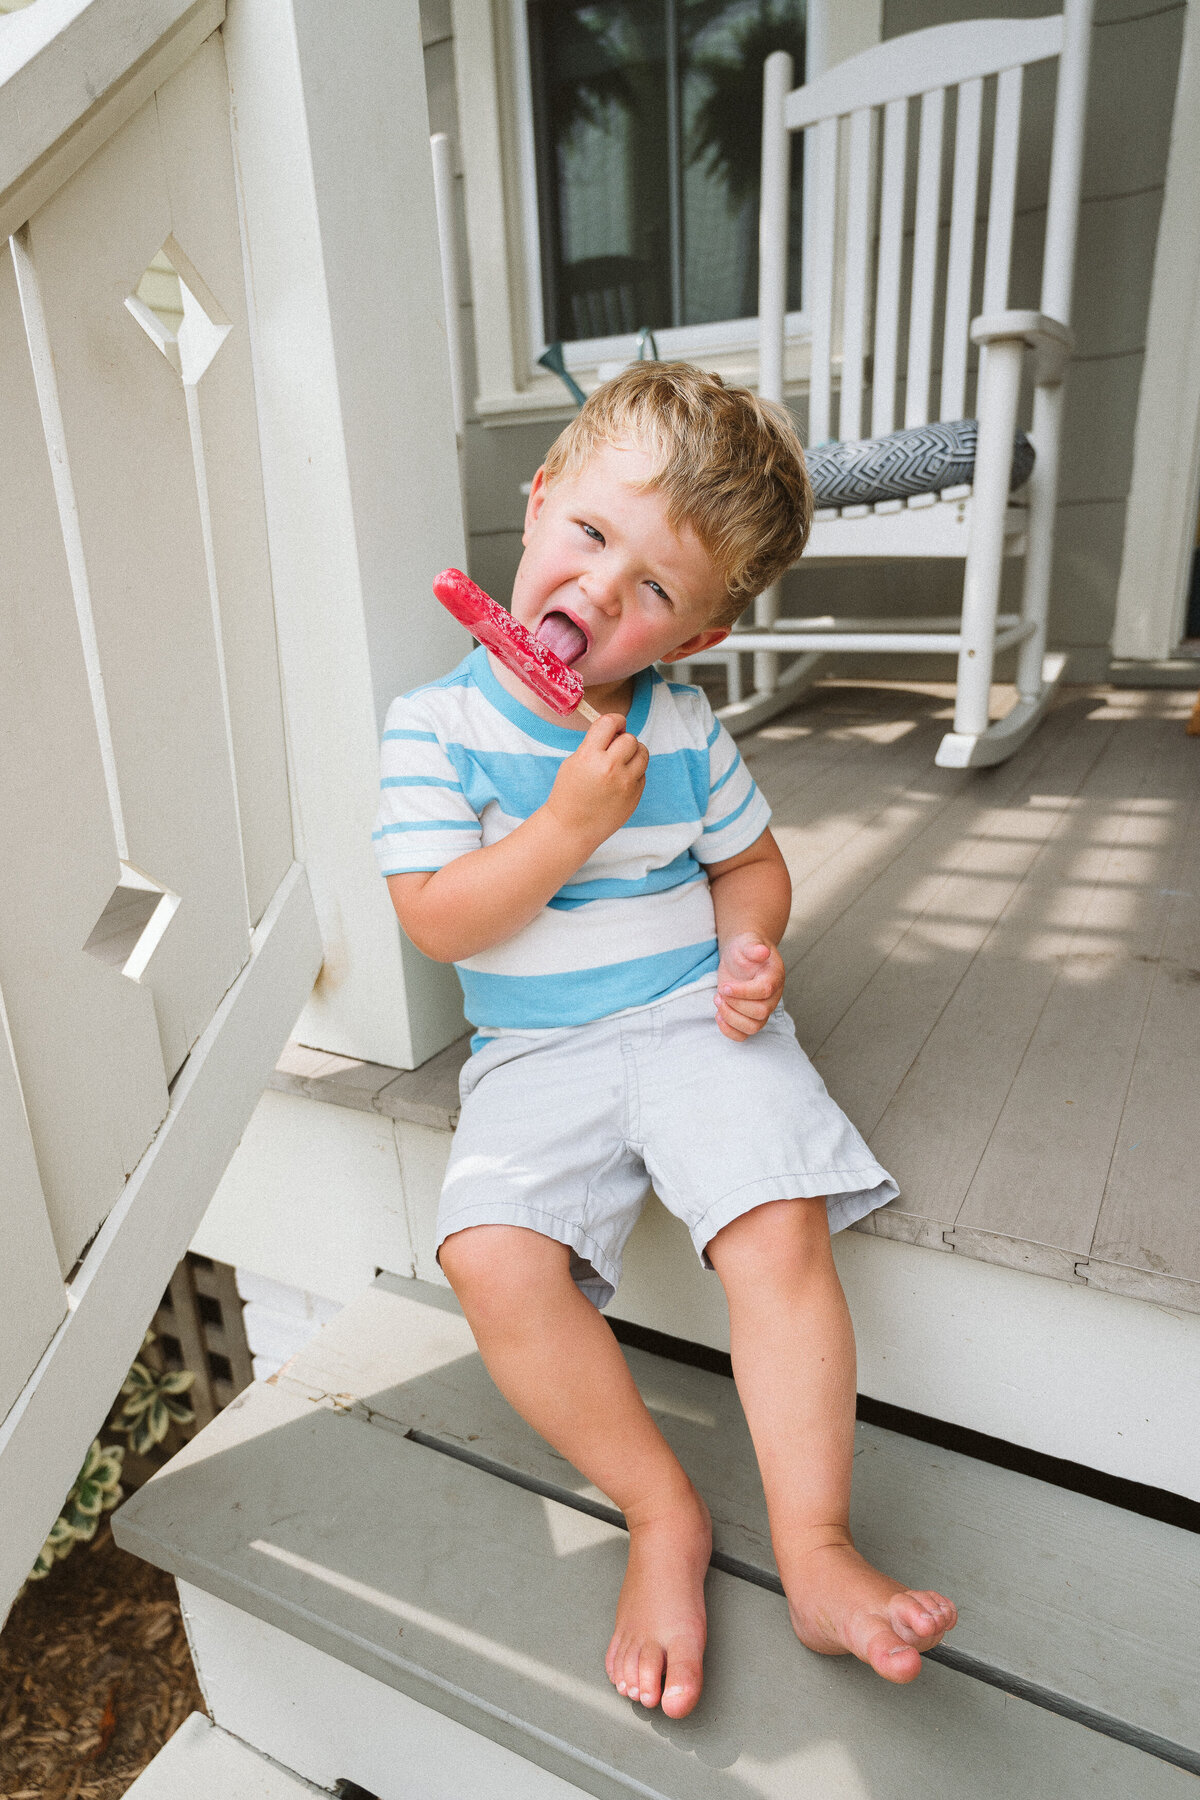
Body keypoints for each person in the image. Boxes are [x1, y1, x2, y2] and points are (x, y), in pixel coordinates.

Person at [375, 363, 956, 1720]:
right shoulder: (434, 729)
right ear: (535, 506)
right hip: (535, 1057)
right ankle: (658, 1508)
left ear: (691, 642)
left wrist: (753, 947)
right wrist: (565, 827)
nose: (598, 592)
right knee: (493, 1263)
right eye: (589, 539)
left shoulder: (683, 726)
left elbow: (753, 868)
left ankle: (814, 1547)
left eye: (652, 592)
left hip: (693, 1019)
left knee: (778, 1228)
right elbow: (442, 921)